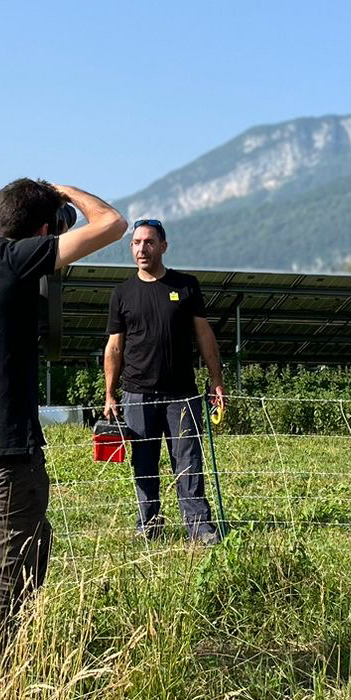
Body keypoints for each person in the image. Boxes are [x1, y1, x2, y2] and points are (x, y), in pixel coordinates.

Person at [0, 177, 125, 648]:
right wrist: (66, 191)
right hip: (8, 457)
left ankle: (18, 651)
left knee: (36, 541)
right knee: (3, 583)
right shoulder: (16, 261)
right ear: (44, 231)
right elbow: (112, 224)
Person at [103, 218, 226, 543]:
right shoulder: (123, 293)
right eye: (136, 243)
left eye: (149, 242)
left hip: (181, 394)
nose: (141, 249)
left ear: (163, 246)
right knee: (144, 463)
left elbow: (204, 335)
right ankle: (149, 526)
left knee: (188, 461)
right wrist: (110, 394)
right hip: (137, 393)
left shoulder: (186, 286)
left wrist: (216, 379)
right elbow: (114, 347)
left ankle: (199, 528)